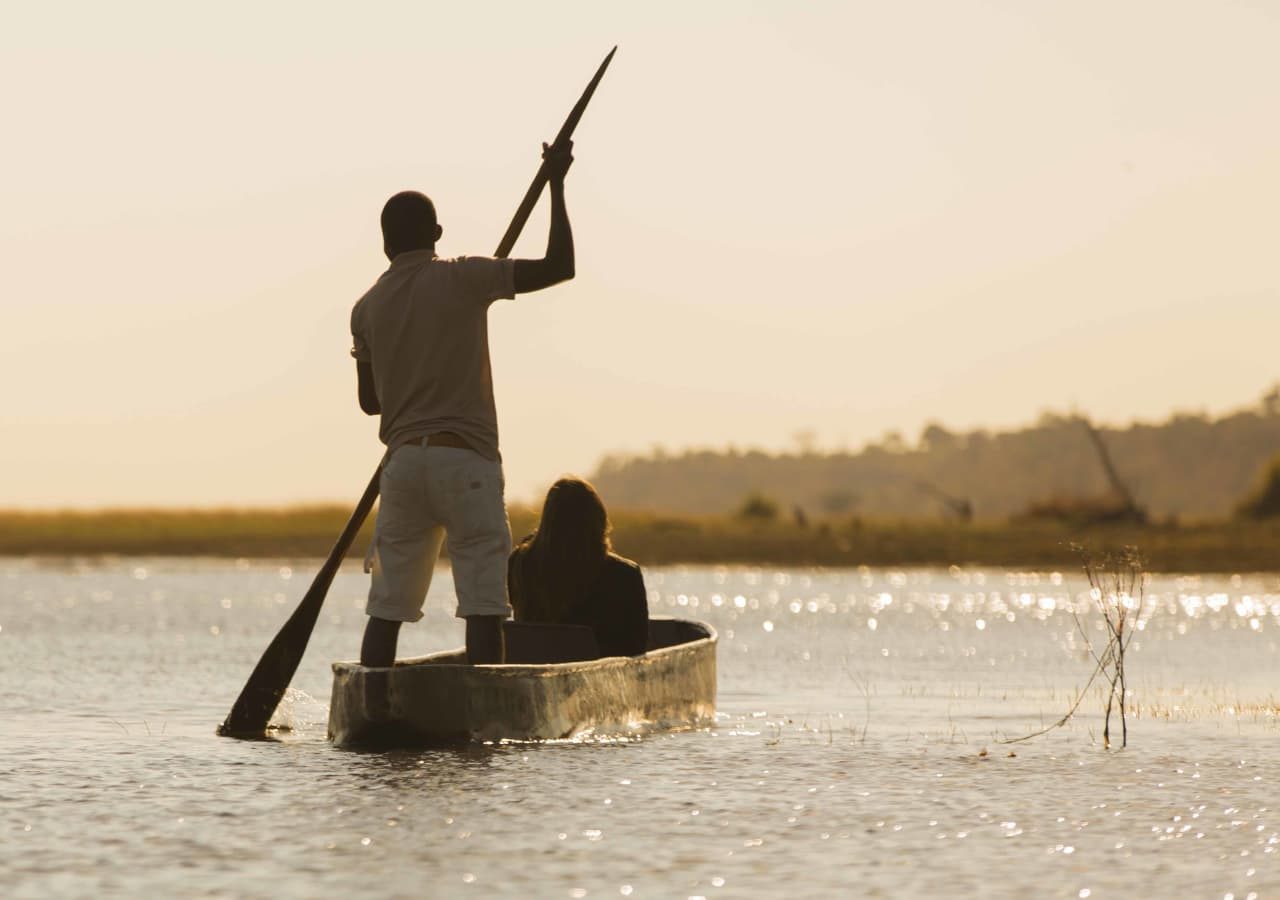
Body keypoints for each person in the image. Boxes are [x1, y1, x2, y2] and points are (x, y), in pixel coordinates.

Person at [351, 141, 576, 667]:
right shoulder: (463, 275)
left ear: (385, 244)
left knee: (386, 609)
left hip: (403, 468)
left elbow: (370, 404)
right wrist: (558, 185)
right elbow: (560, 267)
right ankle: (485, 724)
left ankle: (374, 708)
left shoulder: (365, 308)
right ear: (436, 235)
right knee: (484, 605)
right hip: (465, 461)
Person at [507, 477, 649, 657]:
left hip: (532, 666)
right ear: (598, 518)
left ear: (547, 520)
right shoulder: (624, 574)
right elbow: (637, 649)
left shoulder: (518, 564)